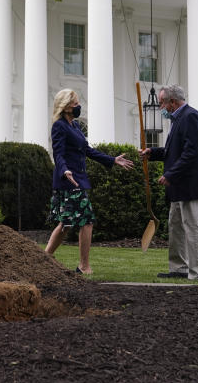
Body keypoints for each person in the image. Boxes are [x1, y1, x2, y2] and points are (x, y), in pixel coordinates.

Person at [45, 89, 133, 275]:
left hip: (78, 178)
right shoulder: (59, 126)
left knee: (66, 223)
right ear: (66, 106)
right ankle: (83, 266)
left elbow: (88, 150)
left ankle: (44, 258)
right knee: (87, 220)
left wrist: (112, 160)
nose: (78, 106)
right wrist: (64, 170)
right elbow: (58, 153)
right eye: (75, 103)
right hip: (68, 180)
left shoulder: (75, 126)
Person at [140, 84, 198, 281]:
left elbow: (192, 153)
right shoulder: (177, 120)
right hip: (179, 185)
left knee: (194, 226)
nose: (160, 108)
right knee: (175, 225)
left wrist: (171, 174)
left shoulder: (191, 117)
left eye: (161, 103)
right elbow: (173, 151)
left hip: (193, 184)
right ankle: (179, 268)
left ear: (173, 102)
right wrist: (153, 152)